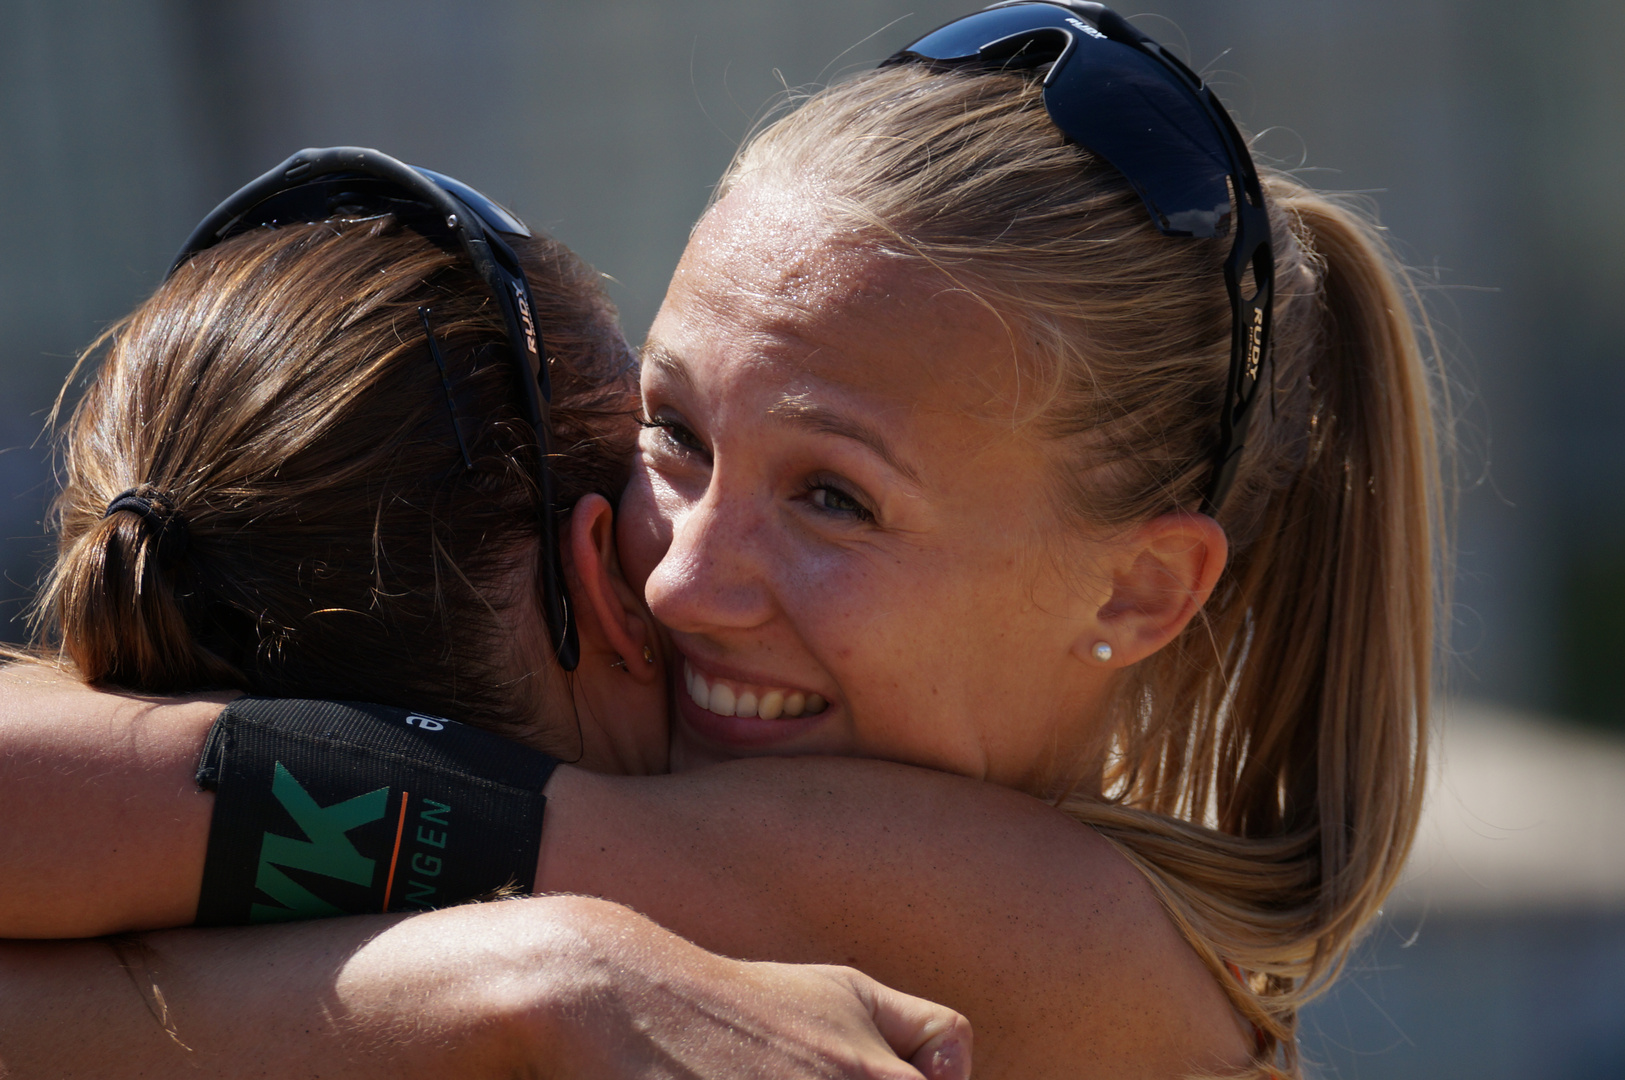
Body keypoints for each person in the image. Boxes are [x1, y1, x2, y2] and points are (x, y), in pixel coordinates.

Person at [1, 4, 1444, 1077]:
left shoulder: (1042, 928)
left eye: (834, 498)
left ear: (1138, 589)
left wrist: (526, 976)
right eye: (675, 433)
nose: (680, 578)